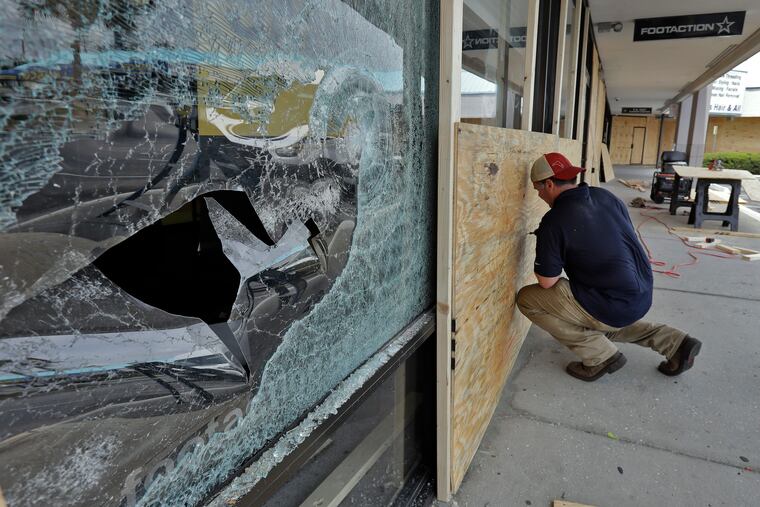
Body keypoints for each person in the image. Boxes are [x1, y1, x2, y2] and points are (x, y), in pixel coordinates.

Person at [516, 152, 701, 382]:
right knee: (598, 315)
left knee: (528, 298)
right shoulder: (605, 196)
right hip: (641, 293)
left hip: (611, 302)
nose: (539, 195)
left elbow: (547, 281)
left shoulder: (554, 220)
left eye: (538, 190)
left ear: (550, 184)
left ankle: (599, 355)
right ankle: (675, 342)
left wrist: (547, 245)